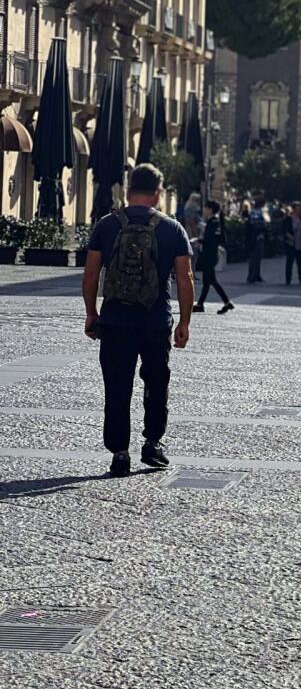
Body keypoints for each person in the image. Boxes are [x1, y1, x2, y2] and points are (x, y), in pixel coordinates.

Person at [82, 164, 193, 478]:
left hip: (115, 321)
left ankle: (119, 453)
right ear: (158, 193)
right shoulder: (173, 229)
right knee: (156, 384)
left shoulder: (107, 225)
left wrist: (91, 313)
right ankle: (152, 443)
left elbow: (91, 274)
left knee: (117, 387)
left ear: (129, 191)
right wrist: (184, 322)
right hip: (155, 322)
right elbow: (185, 278)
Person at [194, 200, 234, 315]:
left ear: (210, 209)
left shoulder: (212, 222)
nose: (204, 210)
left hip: (209, 255)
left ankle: (227, 302)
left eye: (206, 208)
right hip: (211, 254)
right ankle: (200, 304)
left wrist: (199, 240)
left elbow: (209, 240)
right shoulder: (215, 221)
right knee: (207, 281)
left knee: (211, 280)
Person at [284, 203, 301, 285]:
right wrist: (290, 236)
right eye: (297, 209)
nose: (299, 211)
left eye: (300, 209)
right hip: (291, 243)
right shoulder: (289, 219)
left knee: (300, 262)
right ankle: (288, 279)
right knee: (290, 261)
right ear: (293, 210)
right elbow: (285, 230)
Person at [245, 197, 268, 284]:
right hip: (256, 237)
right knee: (254, 257)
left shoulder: (258, 211)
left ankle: (256, 275)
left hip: (258, 236)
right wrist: (264, 225)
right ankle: (251, 276)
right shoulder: (256, 212)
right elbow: (255, 223)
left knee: (258, 257)